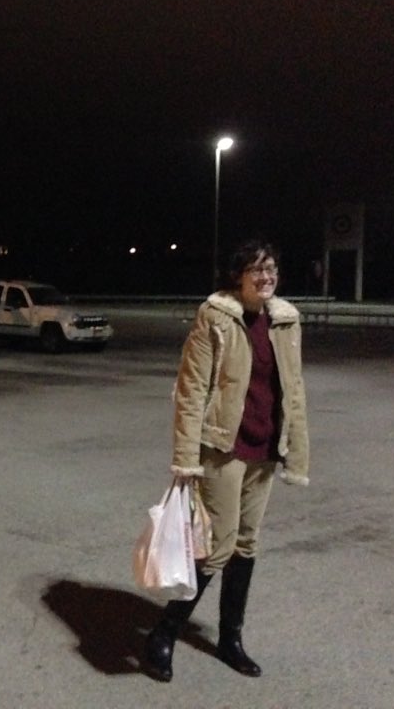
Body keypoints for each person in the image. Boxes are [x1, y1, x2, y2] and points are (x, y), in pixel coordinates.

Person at [144, 239, 310, 681]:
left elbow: (293, 389)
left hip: (265, 447)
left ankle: (230, 639)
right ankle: (164, 632)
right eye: (256, 269)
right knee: (218, 545)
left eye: (271, 268)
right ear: (238, 276)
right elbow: (192, 389)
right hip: (223, 447)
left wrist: (296, 450)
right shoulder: (215, 317)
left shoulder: (285, 320)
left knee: (246, 544)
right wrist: (186, 458)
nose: (266, 277)